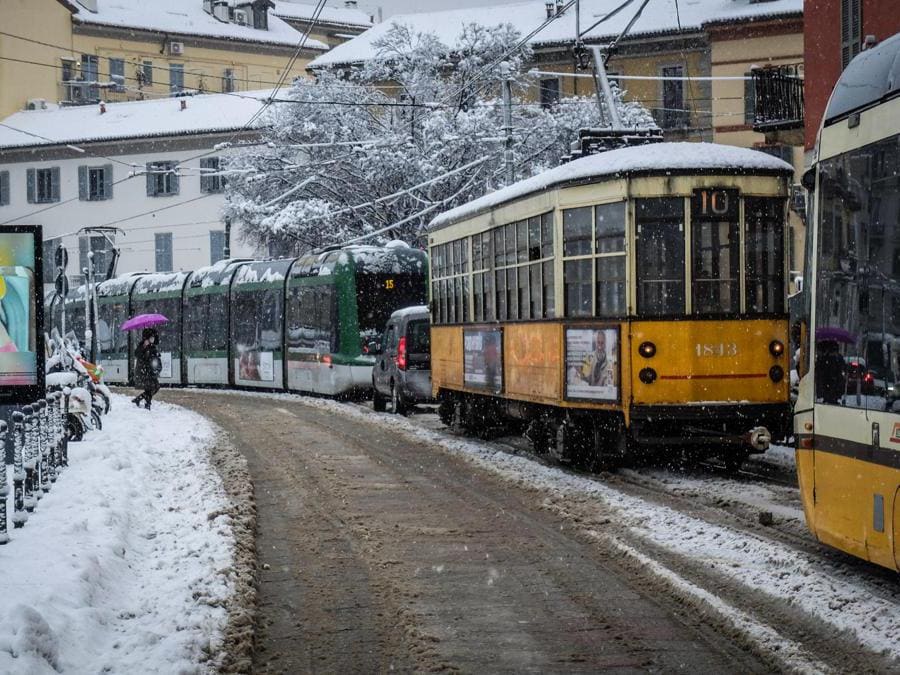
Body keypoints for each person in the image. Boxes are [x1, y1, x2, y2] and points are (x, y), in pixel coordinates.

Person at [133, 327, 161, 409]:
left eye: (153, 338)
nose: (153, 339)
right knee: (149, 388)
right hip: (144, 371)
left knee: (156, 387)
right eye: (151, 337)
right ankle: (147, 405)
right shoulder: (142, 345)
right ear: (147, 338)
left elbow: (154, 357)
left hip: (150, 370)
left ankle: (139, 399)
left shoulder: (153, 347)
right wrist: (144, 346)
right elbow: (137, 354)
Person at [815, 339, 846, 405]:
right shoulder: (835, 358)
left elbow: (820, 371)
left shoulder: (825, 358)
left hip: (829, 386)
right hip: (832, 386)